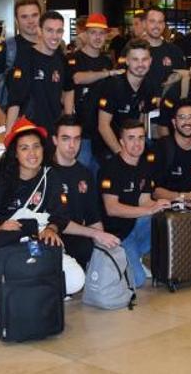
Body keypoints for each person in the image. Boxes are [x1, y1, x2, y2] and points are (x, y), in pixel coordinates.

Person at [0, 119, 86, 324]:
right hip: (7, 243)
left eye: (36, 146)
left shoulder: (51, 176)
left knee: (76, 280)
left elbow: (61, 215)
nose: (32, 153)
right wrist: (2, 228)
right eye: (24, 148)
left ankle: (33, 296)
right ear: (15, 153)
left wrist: (51, 229)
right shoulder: (0, 180)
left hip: (37, 241)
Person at [99, 120, 172, 288]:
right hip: (116, 233)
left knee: (164, 217)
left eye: (141, 138)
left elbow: (145, 200)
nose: (137, 143)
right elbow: (112, 209)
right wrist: (149, 210)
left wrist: (160, 204)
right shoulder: (110, 168)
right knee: (138, 280)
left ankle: (132, 258)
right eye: (131, 138)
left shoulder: (144, 165)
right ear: (122, 142)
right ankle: (114, 258)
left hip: (134, 226)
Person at [50, 115, 121, 269]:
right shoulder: (46, 172)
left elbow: (93, 217)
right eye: (65, 139)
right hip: (51, 236)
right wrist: (95, 234)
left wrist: (104, 242)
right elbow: (58, 220)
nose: (72, 145)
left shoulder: (85, 174)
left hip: (79, 237)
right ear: (55, 140)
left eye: (77, 139)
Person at [65, 14, 119, 177]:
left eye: (101, 33)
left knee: (100, 179)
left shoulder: (107, 61)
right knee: (80, 178)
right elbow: (77, 78)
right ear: (86, 34)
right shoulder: (73, 59)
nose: (97, 37)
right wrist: (106, 74)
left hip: (103, 132)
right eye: (93, 33)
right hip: (82, 133)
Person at [0, 0, 41, 132]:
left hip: (50, 124)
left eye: (34, 15)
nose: (30, 21)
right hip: (19, 125)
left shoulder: (52, 46)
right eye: (24, 17)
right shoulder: (8, 49)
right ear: (17, 21)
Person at [5, 10, 72, 133]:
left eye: (59, 31)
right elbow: (15, 101)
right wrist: (8, 135)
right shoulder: (26, 59)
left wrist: (67, 122)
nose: (55, 36)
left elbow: (69, 89)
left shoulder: (61, 59)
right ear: (39, 31)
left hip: (54, 130)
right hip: (30, 131)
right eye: (49, 30)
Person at [96, 39, 160, 163]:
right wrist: (122, 156)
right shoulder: (113, 86)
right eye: (135, 59)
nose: (140, 64)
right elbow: (103, 126)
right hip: (108, 145)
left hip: (131, 145)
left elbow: (141, 120)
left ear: (150, 61)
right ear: (127, 61)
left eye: (144, 59)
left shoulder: (149, 86)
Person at [142, 7, 188, 91]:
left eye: (160, 22)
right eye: (152, 21)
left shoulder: (175, 51)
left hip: (168, 101)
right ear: (144, 24)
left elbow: (185, 75)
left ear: (164, 25)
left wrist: (179, 76)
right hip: (141, 102)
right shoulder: (133, 50)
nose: (156, 26)